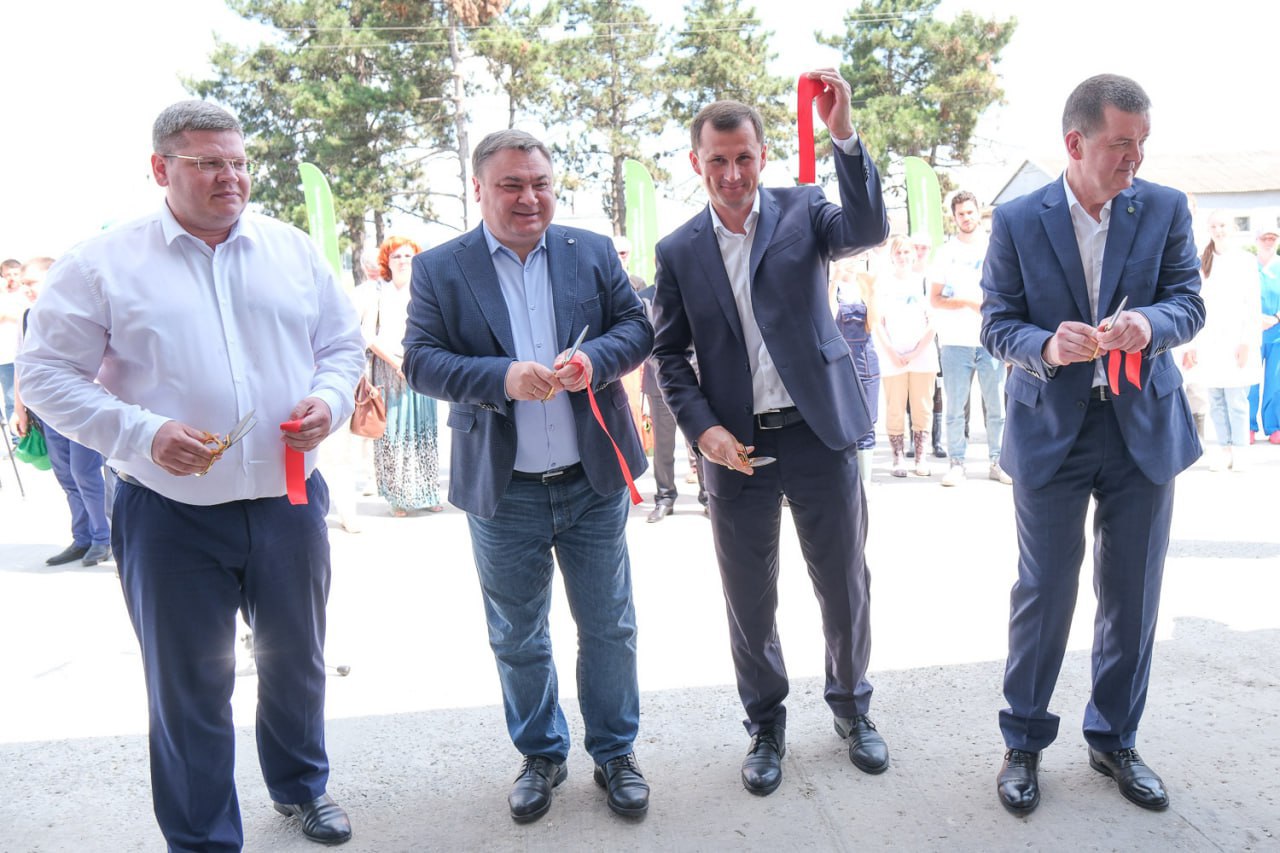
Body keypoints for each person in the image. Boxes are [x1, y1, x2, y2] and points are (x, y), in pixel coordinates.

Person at [16, 100, 364, 850]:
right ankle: (204, 838)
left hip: (288, 501)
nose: (229, 176)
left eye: (238, 162)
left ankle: (301, 786)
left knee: (297, 662)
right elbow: (43, 375)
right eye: (208, 163)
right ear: (160, 169)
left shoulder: (292, 250)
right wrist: (140, 432)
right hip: (168, 511)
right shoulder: (101, 264)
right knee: (188, 685)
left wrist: (330, 401)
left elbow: (341, 347)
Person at [651, 68, 891, 797]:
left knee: (844, 585)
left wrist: (843, 136)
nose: (732, 174)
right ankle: (765, 724)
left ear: (763, 155)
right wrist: (704, 432)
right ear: (695, 162)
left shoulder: (804, 210)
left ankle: (852, 707)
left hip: (819, 432)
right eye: (717, 160)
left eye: (744, 158)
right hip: (737, 448)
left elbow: (869, 229)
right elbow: (668, 355)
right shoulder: (678, 250)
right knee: (749, 599)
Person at [402, 129, 653, 823]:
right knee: (517, 633)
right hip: (503, 487)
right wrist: (502, 377)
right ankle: (541, 753)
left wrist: (595, 361)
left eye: (540, 183)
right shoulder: (441, 269)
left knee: (609, 625)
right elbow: (419, 361)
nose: (529, 197)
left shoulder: (590, 251)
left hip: (592, 479)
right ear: (479, 188)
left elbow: (636, 328)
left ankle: (616, 752)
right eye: (511, 184)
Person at [981, 74, 1204, 816]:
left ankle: (1114, 739)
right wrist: (1046, 345)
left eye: (1142, 143)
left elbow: (1187, 301)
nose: (1135, 158)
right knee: (1044, 591)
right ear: (1075, 143)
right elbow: (997, 323)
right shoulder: (1018, 219)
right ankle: (1023, 742)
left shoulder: (1165, 207)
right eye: (1120, 144)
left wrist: (1150, 325)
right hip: (1051, 430)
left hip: (1143, 430)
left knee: (1132, 596)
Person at [12, 257, 113, 566]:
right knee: (67, 475)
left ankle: (103, 538)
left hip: (81, 407)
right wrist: (20, 409)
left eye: (31, 282)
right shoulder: (28, 316)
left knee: (85, 473)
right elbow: (23, 364)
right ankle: (82, 537)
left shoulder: (78, 310)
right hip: (47, 411)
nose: (26, 289)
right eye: (23, 284)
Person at [930, 191, 1012, 486]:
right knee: (955, 409)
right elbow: (935, 298)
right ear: (954, 218)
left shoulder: (995, 246)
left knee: (996, 408)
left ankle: (998, 461)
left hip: (990, 340)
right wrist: (966, 302)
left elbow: (1010, 290)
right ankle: (957, 463)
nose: (966, 218)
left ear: (979, 212)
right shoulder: (945, 253)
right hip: (955, 342)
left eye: (969, 212)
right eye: (960, 214)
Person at [359, 235, 442, 516]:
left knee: (424, 428)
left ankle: (427, 491)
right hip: (389, 367)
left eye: (408, 255)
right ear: (387, 261)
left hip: (421, 365)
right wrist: (396, 362)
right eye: (397, 256)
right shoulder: (377, 292)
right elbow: (367, 335)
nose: (403, 261)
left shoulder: (425, 288)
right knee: (394, 430)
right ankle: (397, 496)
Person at [1185, 211, 1262, 471]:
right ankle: (1224, 449)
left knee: (1236, 398)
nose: (1219, 230)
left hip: (1236, 338)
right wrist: (1192, 344)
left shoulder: (1245, 260)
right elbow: (1196, 305)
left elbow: (1252, 304)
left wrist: (1246, 341)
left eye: (1223, 225)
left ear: (1233, 228)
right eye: (1214, 226)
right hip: (1210, 340)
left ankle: (1240, 449)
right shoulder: (1202, 262)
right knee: (1216, 398)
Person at [874, 235, 939, 477]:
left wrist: (915, 352)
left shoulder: (924, 282)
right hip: (892, 358)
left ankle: (921, 457)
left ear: (914, 255)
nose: (902, 257)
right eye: (898, 252)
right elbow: (878, 323)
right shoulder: (883, 284)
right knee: (895, 409)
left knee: (923, 408)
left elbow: (933, 322)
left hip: (922, 357)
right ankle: (898, 457)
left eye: (906, 252)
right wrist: (892, 352)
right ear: (892, 256)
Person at [831, 254, 879, 483]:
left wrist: (872, 290)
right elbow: (828, 319)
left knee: (867, 422)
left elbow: (873, 324)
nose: (853, 261)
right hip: (838, 362)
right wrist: (834, 279)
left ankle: (865, 482)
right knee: (840, 421)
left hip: (865, 360)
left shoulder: (866, 286)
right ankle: (846, 481)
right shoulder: (833, 287)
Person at [1249, 224, 1280, 443]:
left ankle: (1274, 426)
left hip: (1278, 332)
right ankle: (1247, 425)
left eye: (1273, 238)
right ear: (1256, 240)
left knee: (1276, 382)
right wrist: (1255, 318)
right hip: (1252, 331)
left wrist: (1276, 318)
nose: (1268, 242)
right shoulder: (1247, 267)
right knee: (1249, 380)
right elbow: (1239, 297)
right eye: (1264, 238)